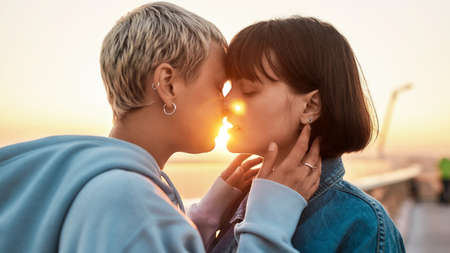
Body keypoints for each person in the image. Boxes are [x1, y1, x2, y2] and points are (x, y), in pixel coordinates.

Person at [0, 2, 322, 253]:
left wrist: (200, 220)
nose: (227, 104)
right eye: (216, 87)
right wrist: (268, 222)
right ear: (168, 84)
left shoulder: (94, 182)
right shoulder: (129, 201)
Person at [208, 16, 406, 252]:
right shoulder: (239, 202)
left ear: (311, 106)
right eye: (230, 87)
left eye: (249, 89)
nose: (227, 101)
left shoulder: (361, 224)